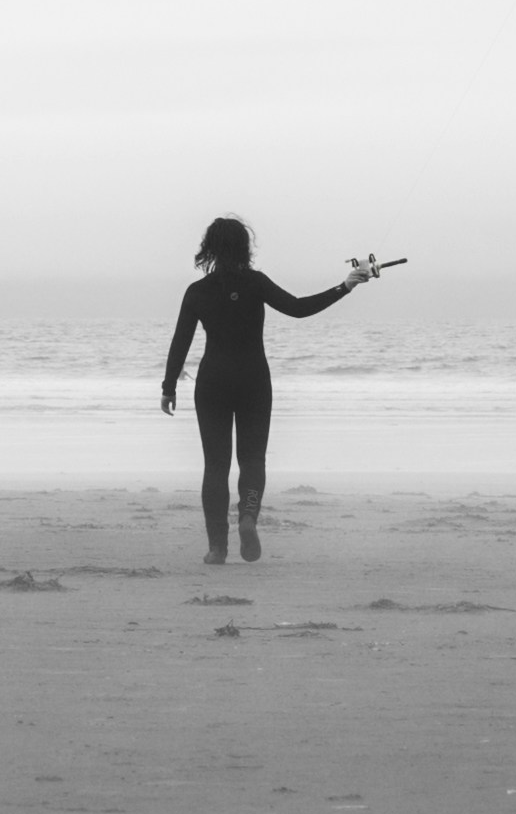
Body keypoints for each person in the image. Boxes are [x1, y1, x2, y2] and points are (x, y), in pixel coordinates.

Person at [153, 217, 394, 562]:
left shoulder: (197, 292)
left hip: (213, 383)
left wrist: (168, 387)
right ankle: (248, 518)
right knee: (252, 459)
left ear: (210, 248)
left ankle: (217, 548)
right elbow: (298, 309)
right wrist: (346, 286)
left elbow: (181, 341)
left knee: (215, 466)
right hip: (253, 380)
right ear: (244, 247)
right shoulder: (256, 283)